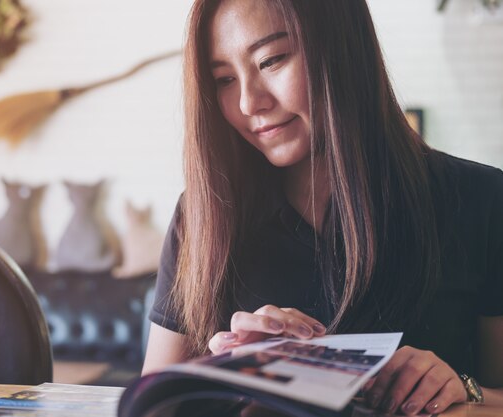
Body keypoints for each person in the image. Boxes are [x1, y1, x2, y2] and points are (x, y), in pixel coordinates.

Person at [142, 0, 503, 415]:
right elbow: (153, 403)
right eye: (223, 79)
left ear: (343, 49)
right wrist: (233, 373)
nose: (248, 103)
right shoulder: (203, 215)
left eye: (271, 60)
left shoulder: (479, 198)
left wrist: (463, 391)